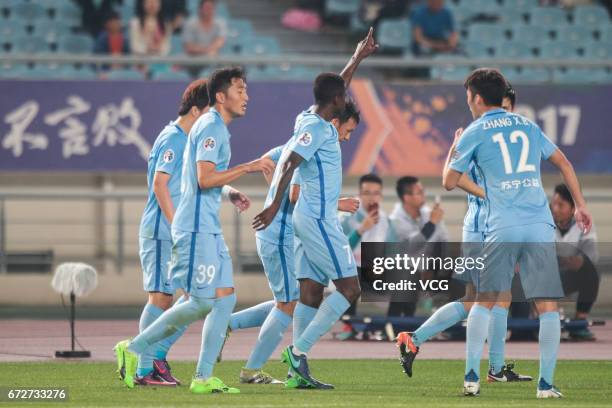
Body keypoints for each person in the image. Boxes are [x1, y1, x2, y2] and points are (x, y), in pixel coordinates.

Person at [116, 67, 275, 394]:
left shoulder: (212, 127)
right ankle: (135, 349)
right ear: (220, 96)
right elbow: (202, 179)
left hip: (208, 227)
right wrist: (249, 166)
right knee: (197, 301)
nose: (247, 97)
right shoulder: (211, 127)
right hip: (193, 228)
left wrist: (229, 192)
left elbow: (197, 178)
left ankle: (202, 376)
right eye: (241, 90)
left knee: (225, 298)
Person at [441, 68, 592, 398]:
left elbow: (449, 181)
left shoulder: (474, 131)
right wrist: (580, 204)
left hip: (502, 224)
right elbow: (564, 162)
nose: (468, 104)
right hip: (538, 221)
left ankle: (471, 378)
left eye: (468, 98)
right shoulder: (527, 124)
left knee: (485, 300)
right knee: (548, 306)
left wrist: (484, 188)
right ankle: (546, 385)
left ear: (478, 99)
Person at [252, 28, 379, 389]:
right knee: (351, 289)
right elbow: (288, 161)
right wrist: (274, 204)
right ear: (337, 101)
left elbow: (339, 84)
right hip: (319, 221)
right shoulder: (317, 129)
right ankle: (299, 351)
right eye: (344, 94)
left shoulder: (312, 116)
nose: (347, 95)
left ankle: (295, 375)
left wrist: (357, 57)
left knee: (310, 290)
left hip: (308, 219)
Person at [396, 84, 532, 383]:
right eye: (503, 107)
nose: (505, 114)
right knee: (491, 298)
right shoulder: (479, 134)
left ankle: (418, 340)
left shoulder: (499, 139)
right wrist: (488, 194)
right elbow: (452, 177)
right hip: (485, 226)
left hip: (489, 225)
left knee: (487, 298)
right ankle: (490, 368)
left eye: (509, 109)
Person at [223, 101, 361, 386]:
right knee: (288, 304)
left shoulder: (289, 147)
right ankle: (256, 367)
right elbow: (296, 194)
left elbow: (268, 162)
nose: (346, 138)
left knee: (297, 298)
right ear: (331, 122)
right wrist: (337, 203)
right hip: (282, 233)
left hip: (288, 233)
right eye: (347, 131)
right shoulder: (307, 149)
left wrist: (358, 56)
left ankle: (231, 328)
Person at [117, 79, 208, 386]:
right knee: (161, 297)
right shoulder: (175, 138)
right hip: (161, 230)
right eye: (209, 114)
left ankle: (149, 355)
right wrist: (176, 224)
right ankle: (143, 367)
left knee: (194, 296)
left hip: (174, 230)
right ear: (196, 111)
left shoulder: (186, 138)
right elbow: (160, 184)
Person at [388, 176, 448, 317]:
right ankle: (393, 325)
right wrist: (432, 224)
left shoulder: (428, 214)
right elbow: (413, 247)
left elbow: (443, 239)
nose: (424, 195)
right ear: (407, 198)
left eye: (423, 191)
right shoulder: (395, 221)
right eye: (419, 192)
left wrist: (436, 268)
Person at [339, 173, 397, 317]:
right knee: (354, 277)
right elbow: (339, 252)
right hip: (348, 271)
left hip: (374, 273)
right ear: (359, 195)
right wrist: (360, 230)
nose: (372, 198)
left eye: (376, 193)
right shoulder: (346, 218)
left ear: (381, 196)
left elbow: (393, 254)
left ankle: (393, 326)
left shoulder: (386, 221)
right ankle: (348, 325)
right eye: (366, 193)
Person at [552, 183, 599, 340]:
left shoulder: (584, 223)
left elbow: (590, 258)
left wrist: (577, 261)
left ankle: (580, 321)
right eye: (554, 203)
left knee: (591, 272)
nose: (555, 208)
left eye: (561, 205)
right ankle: (542, 318)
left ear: (573, 209)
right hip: (545, 276)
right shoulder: (543, 221)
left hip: (568, 276)